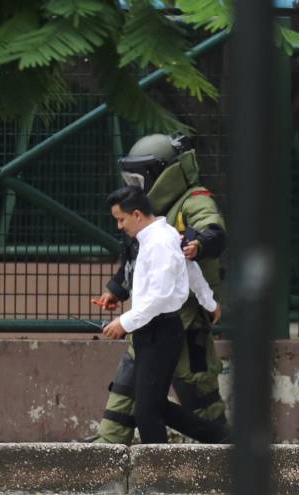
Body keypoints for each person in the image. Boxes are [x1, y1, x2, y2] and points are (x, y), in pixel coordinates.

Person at [93, 134, 228, 444]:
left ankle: (223, 445)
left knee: (197, 386)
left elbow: (212, 229)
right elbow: (137, 262)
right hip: (147, 319)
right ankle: (109, 443)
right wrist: (116, 289)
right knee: (131, 382)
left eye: (139, 176)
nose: (135, 184)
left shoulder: (193, 200)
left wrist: (201, 243)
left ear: (161, 173)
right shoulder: (145, 217)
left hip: (186, 317)